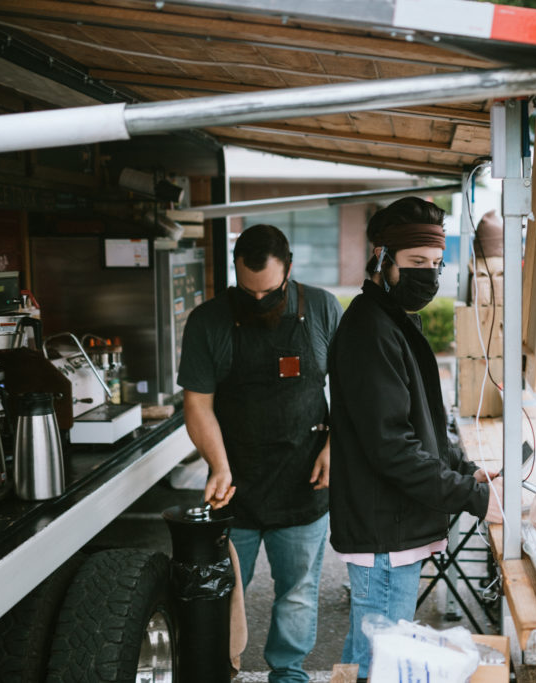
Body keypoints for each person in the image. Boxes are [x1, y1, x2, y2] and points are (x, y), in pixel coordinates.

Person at [327, 197, 504, 678]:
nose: (429, 274)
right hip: (385, 531)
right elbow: (392, 447)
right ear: (383, 260)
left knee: (369, 652)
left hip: (394, 524)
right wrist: (471, 495)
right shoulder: (369, 330)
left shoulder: (393, 322)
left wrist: (465, 471)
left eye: (435, 263)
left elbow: (422, 424)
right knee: (378, 663)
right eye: (416, 263)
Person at [178, 224, 342, 683]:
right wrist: (219, 464)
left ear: (289, 270)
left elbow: (352, 389)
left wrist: (334, 446)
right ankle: (219, 670)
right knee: (224, 591)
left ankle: (288, 674)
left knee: (297, 592)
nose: (258, 301)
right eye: (247, 292)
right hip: (235, 486)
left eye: (268, 292)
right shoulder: (208, 320)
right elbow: (198, 404)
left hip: (304, 478)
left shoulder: (323, 308)